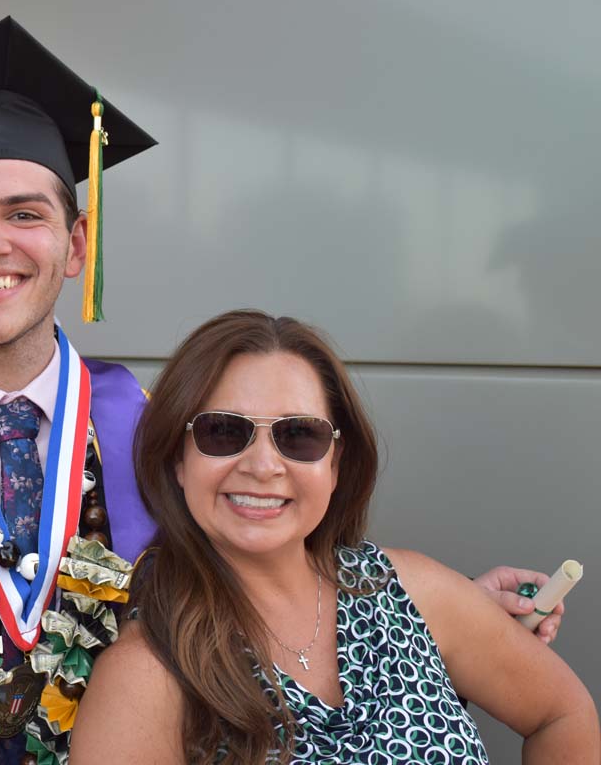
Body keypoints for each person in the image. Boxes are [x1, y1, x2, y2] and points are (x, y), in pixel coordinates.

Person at [0, 19, 565, 765]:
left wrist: (453, 623)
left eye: (24, 212)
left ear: (76, 244)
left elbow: (293, 607)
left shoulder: (171, 437)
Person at [70, 310, 599, 764]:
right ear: (178, 461)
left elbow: (563, 713)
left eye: (298, 435)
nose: (262, 466)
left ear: (337, 462)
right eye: (223, 432)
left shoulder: (411, 591)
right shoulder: (146, 680)